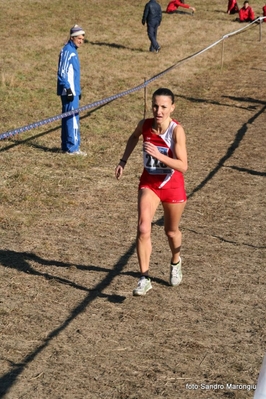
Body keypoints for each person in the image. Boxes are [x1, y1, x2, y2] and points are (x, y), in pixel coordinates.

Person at [115, 88, 187, 296]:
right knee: (143, 227)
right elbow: (133, 137)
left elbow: (183, 166)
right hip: (150, 184)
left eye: (164, 107)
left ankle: (176, 261)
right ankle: (144, 278)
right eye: (155, 106)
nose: (159, 111)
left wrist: (159, 155)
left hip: (172, 185)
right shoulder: (145, 125)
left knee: (171, 231)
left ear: (172, 107)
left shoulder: (176, 131)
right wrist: (123, 161)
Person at [57, 25, 87, 156]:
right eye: (79, 38)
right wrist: (68, 89)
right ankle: (73, 148)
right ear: (72, 38)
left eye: (82, 39)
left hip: (73, 91)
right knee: (72, 118)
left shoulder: (73, 50)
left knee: (67, 117)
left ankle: (66, 146)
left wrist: (78, 91)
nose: (81, 41)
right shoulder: (68, 51)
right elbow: (62, 72)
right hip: (69, 92)